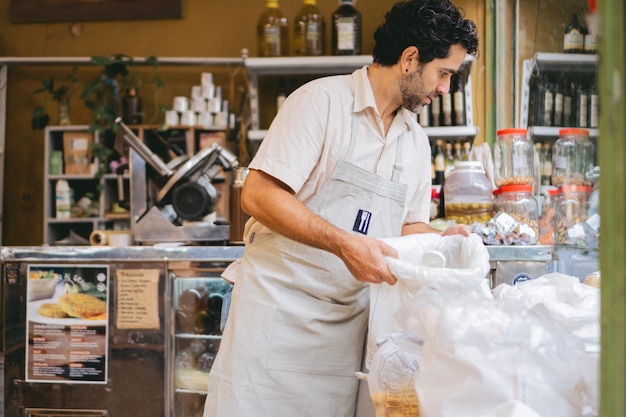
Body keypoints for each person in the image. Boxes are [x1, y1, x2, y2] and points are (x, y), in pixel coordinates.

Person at [203, 0, 479, 416]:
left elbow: (406, 230)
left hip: (348, 338)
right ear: (409, 60)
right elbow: (258, 195)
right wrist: (344, 244)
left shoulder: (415, 141)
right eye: (443, 73)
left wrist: (440, 242)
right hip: (277, 327)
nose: (445, 88)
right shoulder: (320, 103)